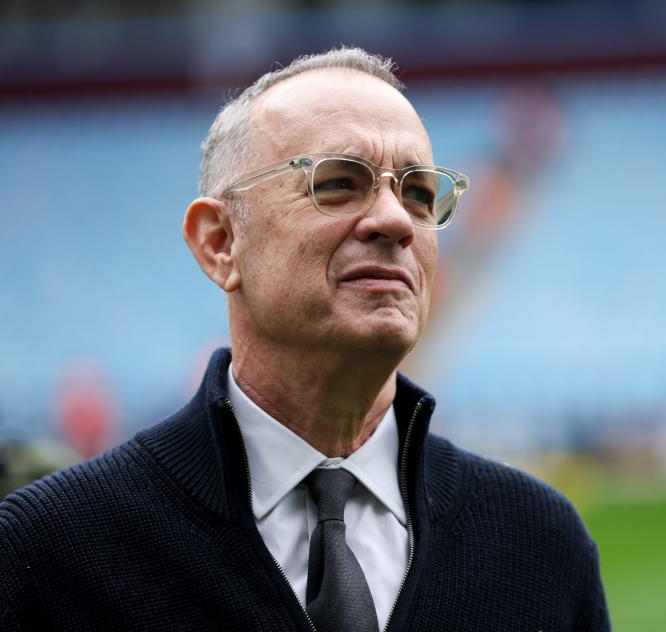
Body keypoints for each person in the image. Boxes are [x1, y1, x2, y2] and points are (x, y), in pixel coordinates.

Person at [0, 47, 610, 631]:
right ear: (219, 242)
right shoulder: (48, 552)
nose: (396, 220)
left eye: (420, 194)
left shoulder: (542, 546)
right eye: (340, 183)